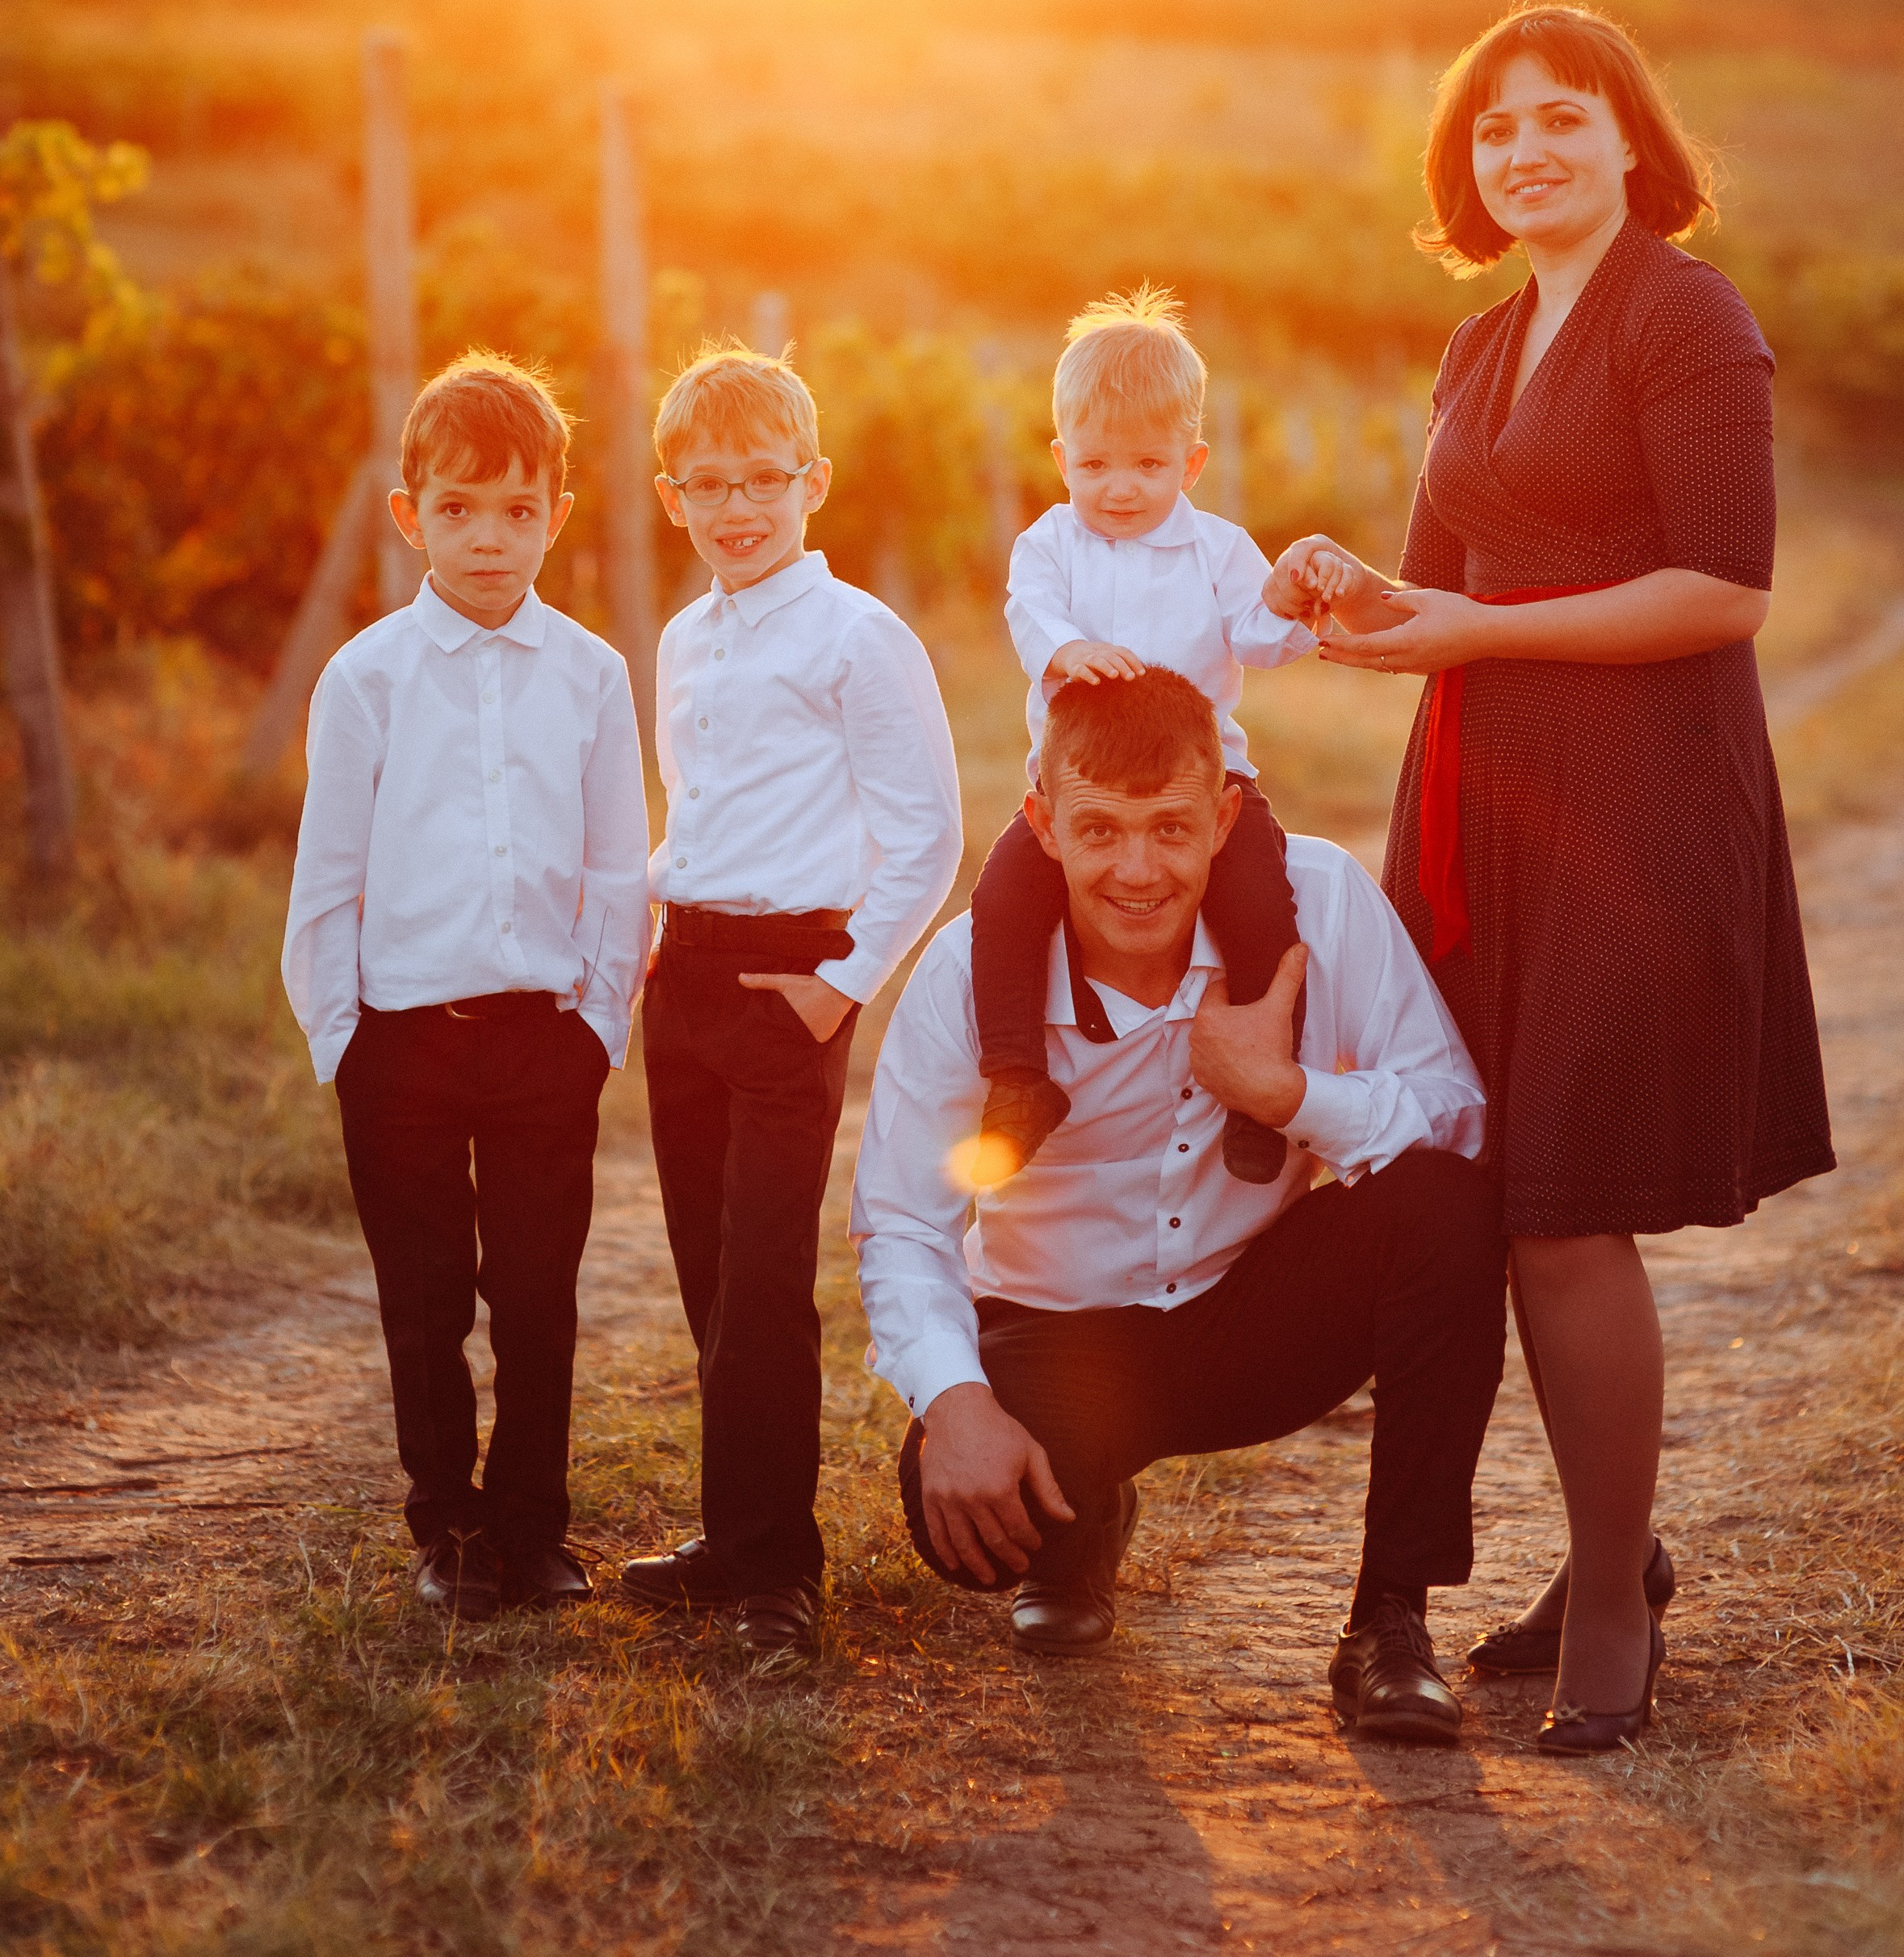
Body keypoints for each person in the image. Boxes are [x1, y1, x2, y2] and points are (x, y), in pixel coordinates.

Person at [1277, 3, 1835, 1755]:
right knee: (1494, 1189)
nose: (1526, 149)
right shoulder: (1478, 342)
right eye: (1494, 127)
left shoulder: (1691, 320)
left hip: (1640, 803)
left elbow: (1726, 588)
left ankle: (1608, 1608)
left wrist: (1473, 625)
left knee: (1567, 1203)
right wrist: (1340, 584)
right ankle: (1615, 1542)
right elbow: (1437, 587)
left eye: (1561, 118)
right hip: (1482, 804)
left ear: (1627, 138)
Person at [853, 664, 1504, 1744]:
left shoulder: (1321, 900)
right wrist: (953, 1405)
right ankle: (1079, 1525)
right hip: (1058, 1338)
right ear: (1041, 821)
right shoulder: (969, 969)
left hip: (1255, 1309)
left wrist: (1284, 1094)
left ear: (1225, 814)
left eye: (1170, 826)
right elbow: (907, 1219)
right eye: (1099, 828)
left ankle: (1390, 1618)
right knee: (961, 1514)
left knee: (1441, 1204)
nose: (1138, 868)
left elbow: (1458, 1117)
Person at [282, 351, 649, 1623]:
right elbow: (327, 872)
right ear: (410, 516)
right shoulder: (368, 678)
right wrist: (345, 1037)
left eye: (516, 508)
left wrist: (598, 1023)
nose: (488, 538)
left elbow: (615, 864)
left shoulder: (592, 673)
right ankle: (445, 1520)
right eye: (457, 508)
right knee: (425, 1293)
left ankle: (532, 1522)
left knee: (538, 1289)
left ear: (558, 508)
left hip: (544, 1036)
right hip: (401, 1042)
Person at [619, 340, 963, 1658]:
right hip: (686, 967)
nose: (737, 508)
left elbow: (925, 832)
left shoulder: (858, 636)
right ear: (670, 496)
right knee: (708, 1267)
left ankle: (779, 1569)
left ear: (812, 480)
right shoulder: (680, 637)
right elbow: (693, 816)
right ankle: (730, 1532)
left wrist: (839, 984)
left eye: (763, 478)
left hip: (792, 976)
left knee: (765, 1271)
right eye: (708, 484)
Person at [973, 287, 1319, 1184]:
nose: (1119, 488)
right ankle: (1017, 1077)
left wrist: (1289, 604)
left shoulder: (1221, 552)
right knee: (1005, 899)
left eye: (1147, 465)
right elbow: (1030, 616)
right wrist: (1068, 649)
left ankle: (1263, 1081)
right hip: (1077, 790)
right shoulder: (1049, 547)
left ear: (1192, 463)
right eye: (1094, 466)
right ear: (1060, 459)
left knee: (1261, 911)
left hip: (1204, 787)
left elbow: (1260, 639)